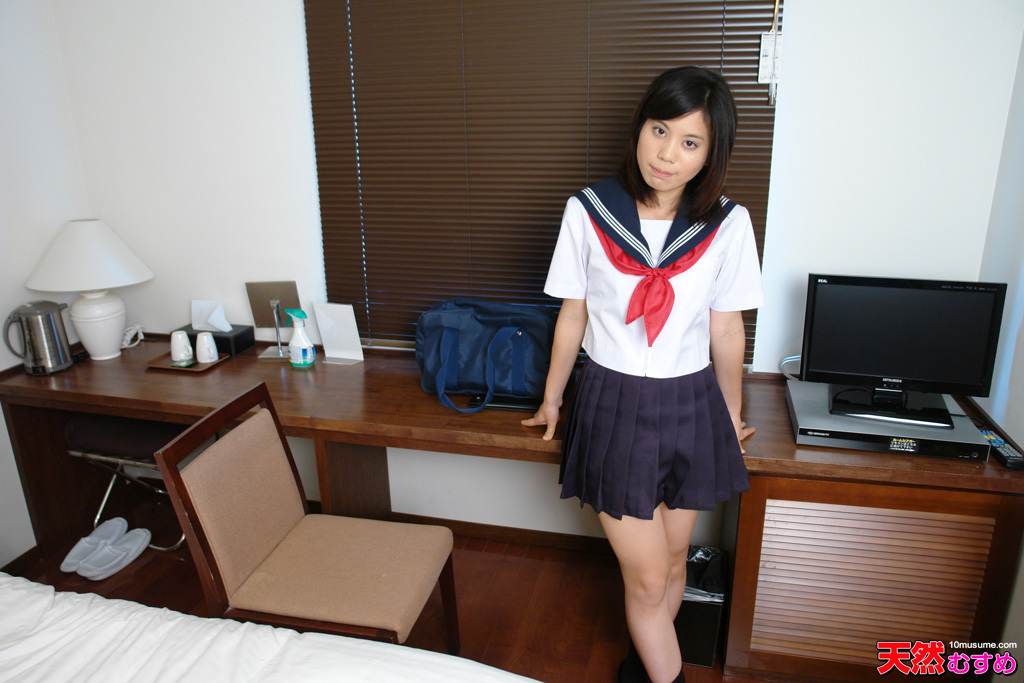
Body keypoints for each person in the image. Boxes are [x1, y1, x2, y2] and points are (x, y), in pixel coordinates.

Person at [522, 66, 763, 683]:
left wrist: (731, 414)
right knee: (650, 577)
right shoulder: (589, 210)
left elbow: (726, 329)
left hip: (693, 401)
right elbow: (573, 315)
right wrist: (553, 399)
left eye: (690, 141)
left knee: (675, 559)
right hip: (613, 401)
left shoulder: (728, 223)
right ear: (640, 127)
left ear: (711, 153)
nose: (667, 153)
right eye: (660, 130)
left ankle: (643, 663)